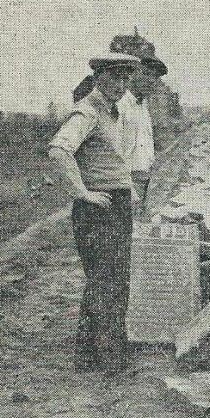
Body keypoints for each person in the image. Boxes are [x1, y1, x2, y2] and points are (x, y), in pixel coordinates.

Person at [48, 52, 141, 373]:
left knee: (110, 281)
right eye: (114, 77)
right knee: (108, 283)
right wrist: (82, 193)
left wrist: (127, 187)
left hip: (115, 205)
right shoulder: (87, 111)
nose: (120, 85)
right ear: (98, 77)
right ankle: (110, 359)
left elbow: (112, 159)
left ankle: (89, 357)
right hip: (97, 210)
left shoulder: (115, 113)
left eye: (126, 79)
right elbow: (59, 151)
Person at [118, 56, 168, 204]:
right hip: (126, 182)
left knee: (139, 223)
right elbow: (114, 150)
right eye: (147, 74)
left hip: (145, 177)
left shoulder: (143, 106)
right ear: (135, 74)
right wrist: (129, 186)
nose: (152, 81)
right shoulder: (121, 105)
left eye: (155, 77)